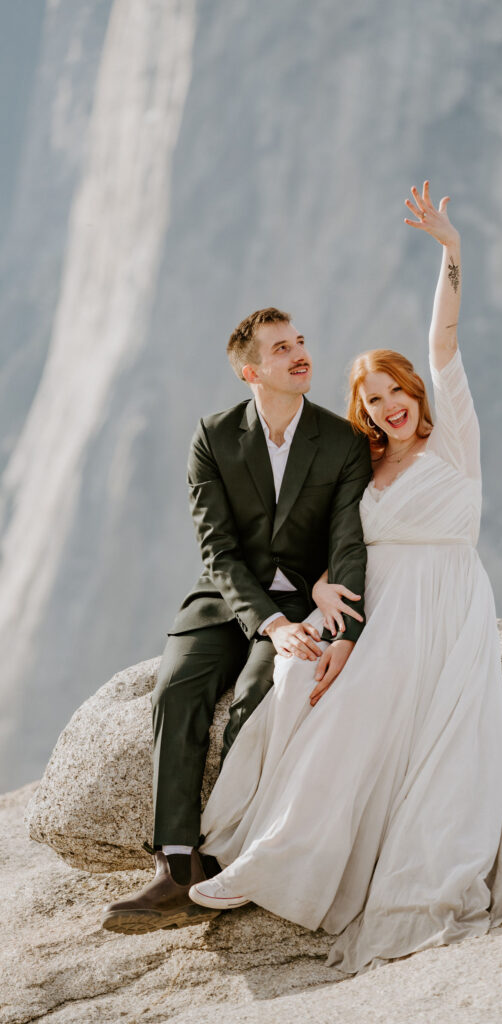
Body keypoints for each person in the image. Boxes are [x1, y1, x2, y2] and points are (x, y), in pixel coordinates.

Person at [187, 182, 502, 974]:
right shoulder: (362, 468)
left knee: (366, 707)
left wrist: (451, 253)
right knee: (306, 688)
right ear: (362, 411)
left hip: (444, 605)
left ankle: (286, 863)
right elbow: (343, 542)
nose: (391, 404)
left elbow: (445, 344)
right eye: (373, 398)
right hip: (375, 603)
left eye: (397, 390)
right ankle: (267, 856)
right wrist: (327, 594)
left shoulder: (454, 442)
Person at [101, 307, 372, 934]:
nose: (300, 353)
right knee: (176, 689)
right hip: (224, 600)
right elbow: (217, 550)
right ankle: (176, 866)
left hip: (308, 601)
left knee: (258, 694)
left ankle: (233, 855)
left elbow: (349, 543)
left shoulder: (341, 442)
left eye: (301, 341)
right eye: (282, 349)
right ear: (251, 370)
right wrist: (270, 623)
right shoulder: (214, 437)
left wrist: (346, 630)